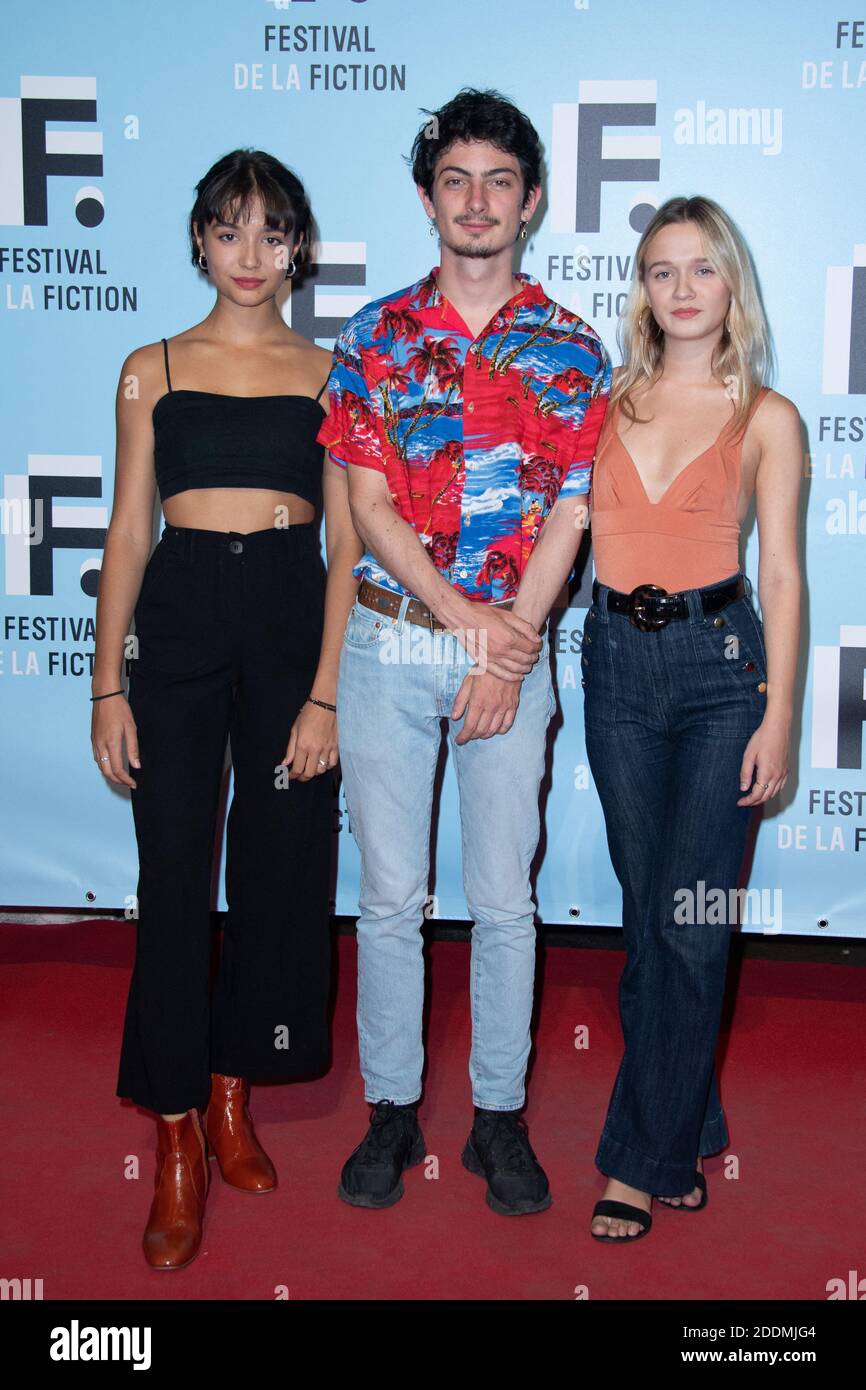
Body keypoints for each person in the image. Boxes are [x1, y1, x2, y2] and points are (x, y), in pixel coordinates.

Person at [317, 89, 611, 1216]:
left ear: (529, 201)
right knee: (391, 898)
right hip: (393, 644)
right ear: (428, 197)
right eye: (455, 180)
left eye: (498, 181)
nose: (476, 201)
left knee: (502, 900)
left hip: (515, 651)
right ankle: (391, 1112)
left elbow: (571, 510)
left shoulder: (571, 347)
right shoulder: (375, 338)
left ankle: (497, 1120)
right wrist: (461, 623)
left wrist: (508, 650)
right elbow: (371, 504)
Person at [91, 149, 362, 1269]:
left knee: (281, 865)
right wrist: (108, 679)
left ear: (298, 246)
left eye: (271, 232)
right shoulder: (148, 367)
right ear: (199, 241)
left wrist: (324, 692)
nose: (249, 254)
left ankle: (233, 1091)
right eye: (227, 229)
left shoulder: (333, 371)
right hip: (184, 615)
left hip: (291, 612)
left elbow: (347, 544)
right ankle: (173, 1138)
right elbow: (124, 530)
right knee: (171, 876)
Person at [583, 195, 802, 1242]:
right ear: (640, 289)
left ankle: (639, 1158)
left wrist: (781, 718)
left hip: (722, 676)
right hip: (615, 666)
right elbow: (554, 532)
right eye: (660, 270)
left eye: (700, 268)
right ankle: (688, 1110)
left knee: (692, 919)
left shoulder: (765, 416)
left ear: (731, 285)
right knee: (646, 918)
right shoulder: (603, 402)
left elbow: (786, 576)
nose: (679, 289)